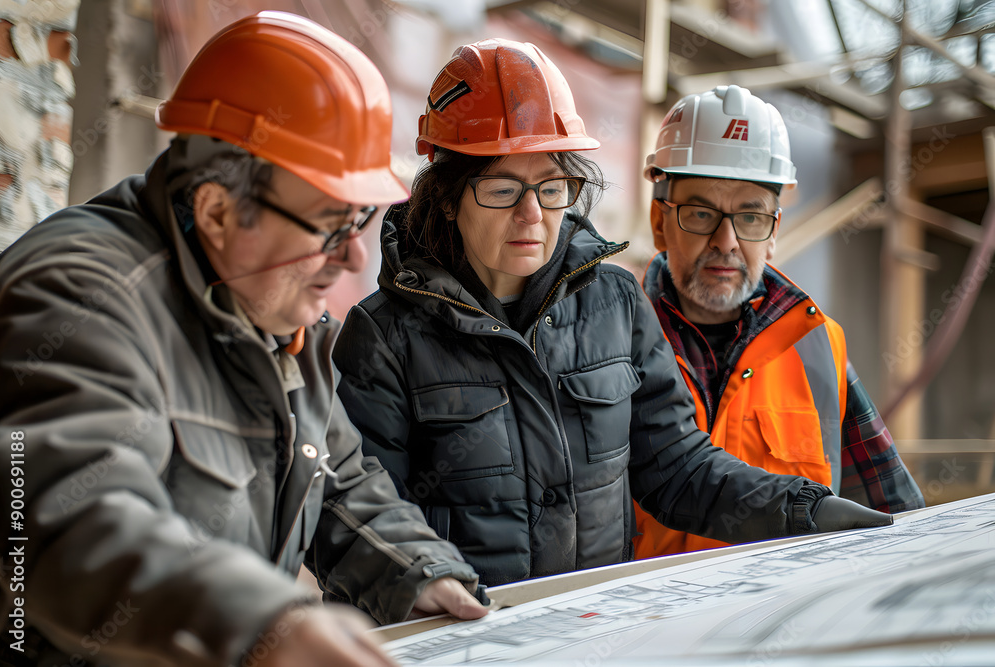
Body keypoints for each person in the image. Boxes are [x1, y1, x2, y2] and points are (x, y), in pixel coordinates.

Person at [0, 12, 487, 667]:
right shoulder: (79, 295)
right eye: (330, 225)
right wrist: (260, 623)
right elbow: (65, 521)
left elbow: (339, 483)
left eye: (361, 219)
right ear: (218, 211)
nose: (352, 257)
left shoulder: (279, 311)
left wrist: (420, 573)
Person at [332, 39, 894, 589]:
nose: (532, 214)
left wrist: (800, 509)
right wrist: (423, 582)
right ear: (446, 199)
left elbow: (677, 467)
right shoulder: (385, 335)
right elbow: (357, 510)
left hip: (597, 630)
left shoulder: (613, 303)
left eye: (552, 187)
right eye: (502, 189)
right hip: (462, 632)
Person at [633, 84, 925, 559]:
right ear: (658, 221)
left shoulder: (818, 345)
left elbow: (894, 511)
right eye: (701, 213)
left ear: (773, 232)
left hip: (787, 607)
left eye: (751, 217)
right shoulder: (610, 343)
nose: (727, 240)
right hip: (644, 606)